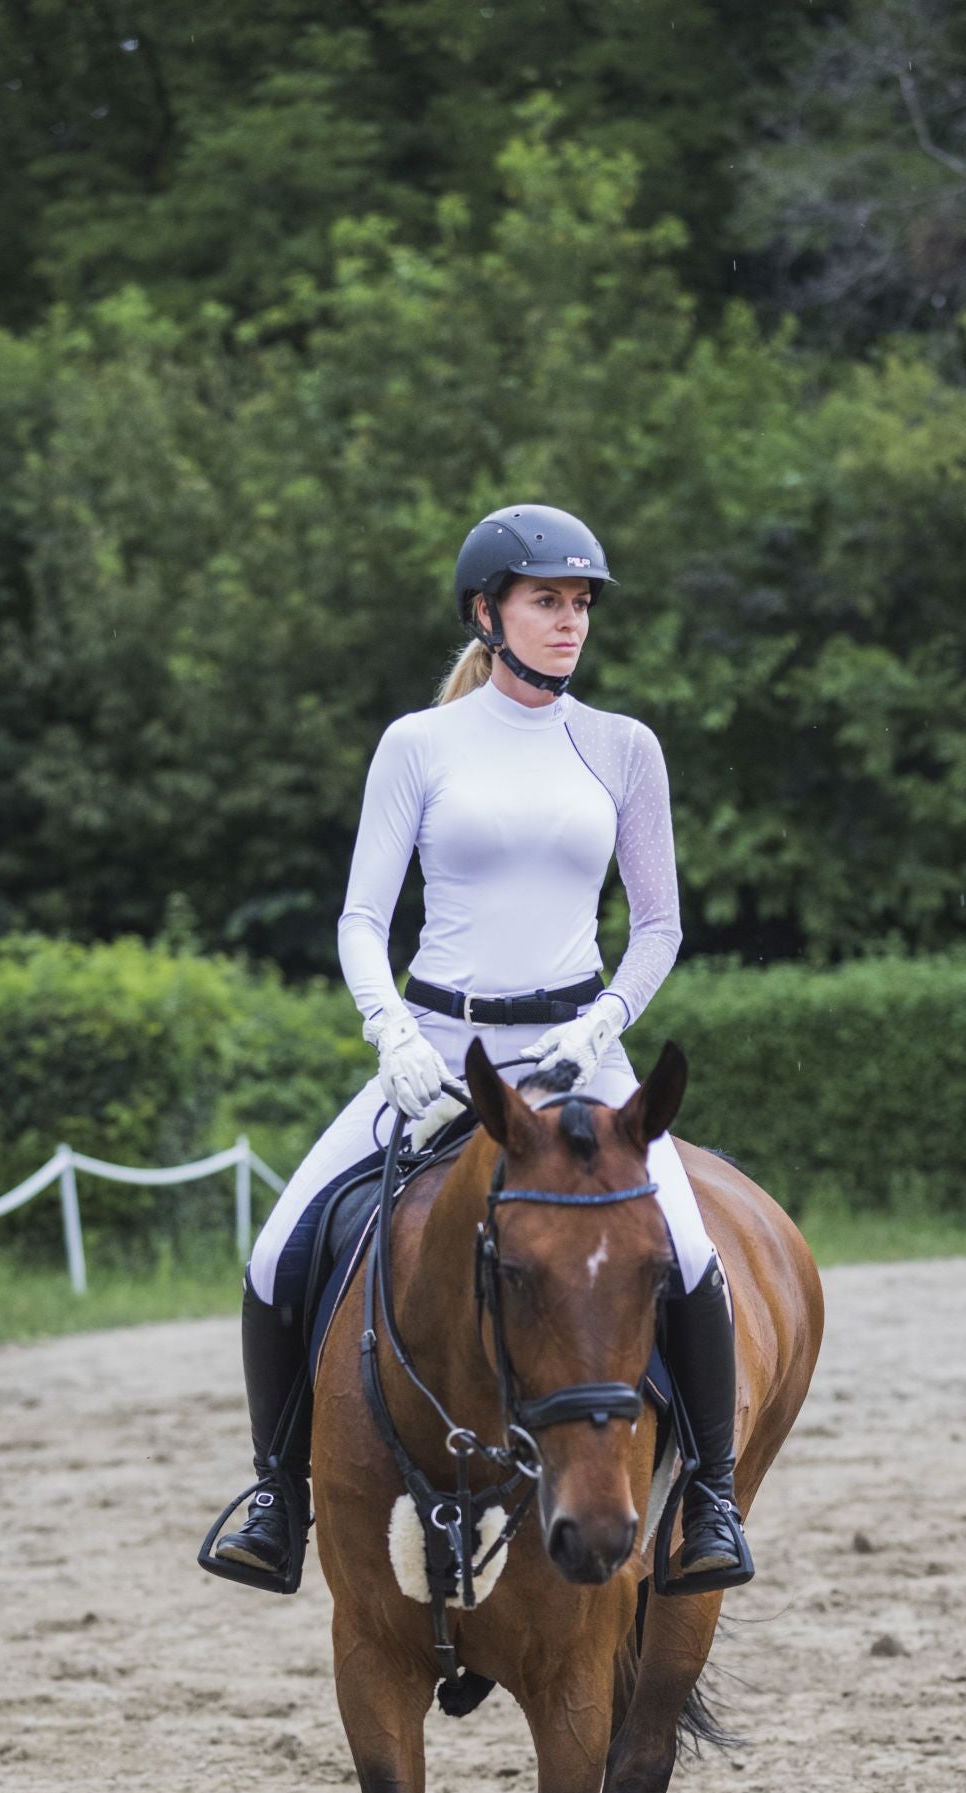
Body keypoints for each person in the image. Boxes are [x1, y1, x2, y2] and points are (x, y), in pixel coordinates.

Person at [206, 503, 753, 1597]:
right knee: (278, 1251)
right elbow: (363, 918)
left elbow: (659, 926)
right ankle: (279, 1498)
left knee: (690, 1258)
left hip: (578, 1049)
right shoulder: (420, 744)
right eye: (546, 601)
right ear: (487, 612)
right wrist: (392, 1033)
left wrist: (604, 1024)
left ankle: (711, 1503)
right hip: (439, 1046)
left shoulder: (622, 747)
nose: (569, 622)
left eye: (580, 603)